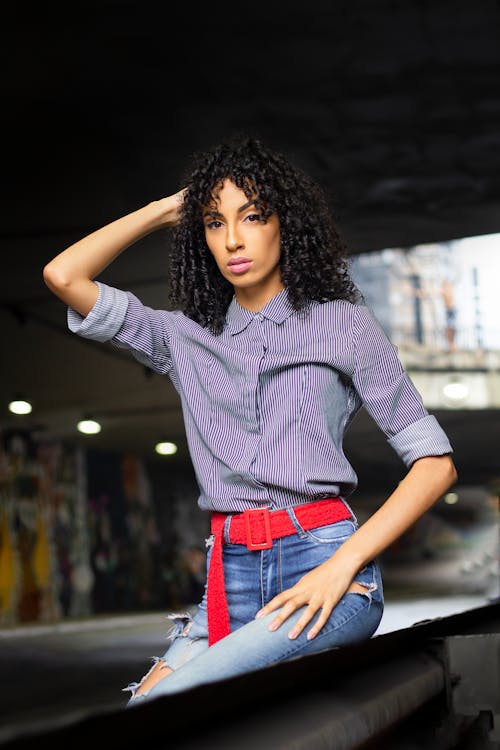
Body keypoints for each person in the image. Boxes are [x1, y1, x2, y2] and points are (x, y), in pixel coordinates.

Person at [43, 134, 457, 704]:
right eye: (214, 223)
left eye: (252, 215)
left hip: (325, 568)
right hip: (228, 575)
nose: (233, 239)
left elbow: (434, 466)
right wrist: (168, 209)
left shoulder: (344, 325)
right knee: (140, 709)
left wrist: (343, 566)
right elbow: (64, 276)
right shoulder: (183, 336)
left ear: (284, 224)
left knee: (178, 703)